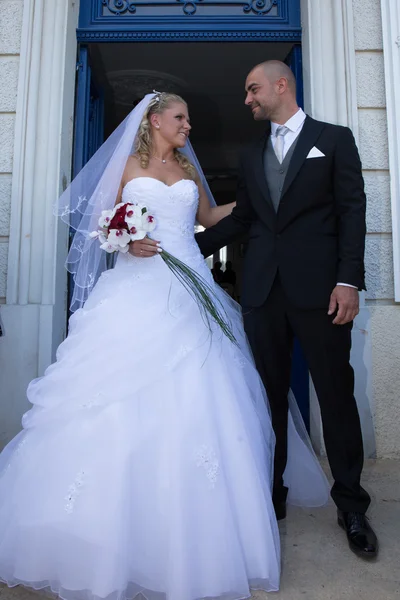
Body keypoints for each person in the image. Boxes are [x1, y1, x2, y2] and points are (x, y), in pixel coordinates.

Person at [0, 92, 329, 600]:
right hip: (138, 285)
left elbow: (211, 218)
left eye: (190, 120)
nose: (188, 126)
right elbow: (96, 226)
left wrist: (262, 198)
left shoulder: (187, 170)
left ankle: (198, 531)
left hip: (191, 285)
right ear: (154, 120)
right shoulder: (127, 166)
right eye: (180, 118)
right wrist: (124, 240)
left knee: (205, 390)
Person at [194, 61, 378, 559]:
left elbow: (352, 212)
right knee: (267, 397)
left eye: (252, 89)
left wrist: (348, 281)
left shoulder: (334, 139)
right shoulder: (250, 154)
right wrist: (186, 250)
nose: (247, 100)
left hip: (323, 293)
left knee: (336, 396)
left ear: (281, 85)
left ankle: (352, 505)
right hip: (262, 295)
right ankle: (271, 495)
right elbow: (248, 221)